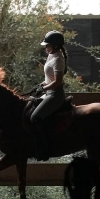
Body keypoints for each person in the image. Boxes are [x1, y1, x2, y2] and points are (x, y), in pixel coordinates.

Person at [30, 30, 69, 161]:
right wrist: (40, 85)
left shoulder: (58, 60)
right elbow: (49, 77)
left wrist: (44, 88)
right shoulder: (51, 56)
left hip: (55, 95)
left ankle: (44, 148)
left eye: (48, 45)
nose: (46, 47)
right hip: (48, 92)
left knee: (35, 117)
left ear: (56, 46)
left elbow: (57, 82)